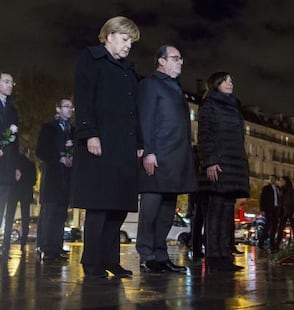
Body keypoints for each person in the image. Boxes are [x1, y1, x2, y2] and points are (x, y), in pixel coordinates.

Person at [70, 16, 142, 279]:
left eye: (131, 42)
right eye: (125, 39)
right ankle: (92, 263)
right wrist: (89, 134)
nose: (128, 46)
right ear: (110, 35)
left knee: (118, 206)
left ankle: (111, 260)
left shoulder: (128, 69)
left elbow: (135, 111)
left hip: (124, 147)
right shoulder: (91, 58)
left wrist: (140, 144)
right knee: (99, 206)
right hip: (100, 143)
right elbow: (84, 97)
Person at [136, 45, 198, 273]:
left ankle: (161, 256)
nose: (180, 62)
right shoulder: (150, 84)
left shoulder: (176, 88)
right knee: (151, 208)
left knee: (167, 212)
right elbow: (146, 118)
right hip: (158, 156)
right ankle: (146, 254)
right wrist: (148, 150)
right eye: (176, 58)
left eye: (181, 58)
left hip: (176, 157)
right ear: (161, 61)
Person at [197, 72, 250, 271]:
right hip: (218, 164)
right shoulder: (209, 106)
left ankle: (225, 256)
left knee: (227, 212)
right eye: (226, 80)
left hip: (233, 165)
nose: (230, 83)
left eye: (231, 80)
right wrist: (209, 161)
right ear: (216, 84)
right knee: (215, 211)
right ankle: (213, 256)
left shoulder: (234, 107)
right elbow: (205, 135)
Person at [36, 99, 74, 262]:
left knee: (61, 214)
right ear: (58, 108)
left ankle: (57, 247)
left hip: (66, 179)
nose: (69, 110)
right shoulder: (48, 128)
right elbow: (41, 151)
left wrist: (72, 157)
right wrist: (59, 158)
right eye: (66, 106)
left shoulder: (73, 129)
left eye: (71, 107)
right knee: (49, 214)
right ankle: (46, 247)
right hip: (52, 177)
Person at [0, 72, 20, 259]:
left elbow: (16, 141)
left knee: (3, 205)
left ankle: (4, 248)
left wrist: (16, 166)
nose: (10, 85)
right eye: (6, 81)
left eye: (11, 82)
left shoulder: (12, 109)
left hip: (6, 167)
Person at [2, 148, 36, 254]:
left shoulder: (14, 163)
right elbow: (34, 180)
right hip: (25, 194)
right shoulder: (31, 164)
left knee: (9, 218)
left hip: (13, 192)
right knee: (25, 219)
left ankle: (6, 244)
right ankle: (23, 243)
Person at [274, 176, 294, 251]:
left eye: (282, 181)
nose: (281, 182)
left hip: (290, 210)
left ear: (286, 182)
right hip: (283, 211)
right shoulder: (281, 190)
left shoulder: (291, 191)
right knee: (280, 229)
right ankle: (276, 245)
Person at [258, 175, 280, 250]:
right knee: (267, 226)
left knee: (274, 227)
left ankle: (272, 244)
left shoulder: (278, 188)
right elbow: (262, 199)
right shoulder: (266, 188)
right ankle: (261, 242)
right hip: (269, 209)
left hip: (276, 209)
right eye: (270, 179)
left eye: (273, 179)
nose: (272, 180)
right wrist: (262, 209)